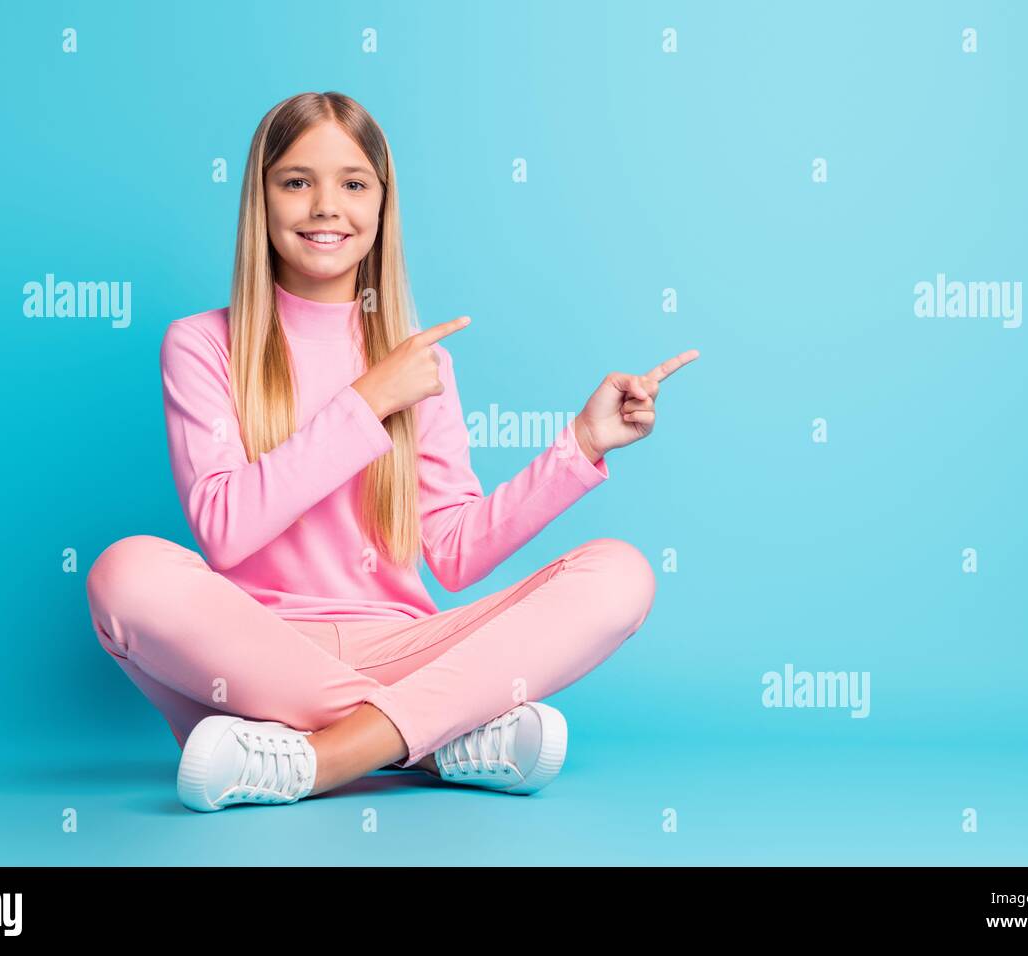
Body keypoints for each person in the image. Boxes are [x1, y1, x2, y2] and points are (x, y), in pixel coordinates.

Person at [85, 91, 699, 812]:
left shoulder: (420, 363)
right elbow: (224, 531)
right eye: (296, 181)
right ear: (261, 199)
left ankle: (313, 758)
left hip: (404, 648)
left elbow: (456, 551)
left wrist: (582, 445)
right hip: (254, 659)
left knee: (620, 573)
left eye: (352, 184)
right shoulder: (199, 344)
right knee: (123, 573)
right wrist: (366, 402)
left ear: (381, 206)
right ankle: (436, 741)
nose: (325, 206)